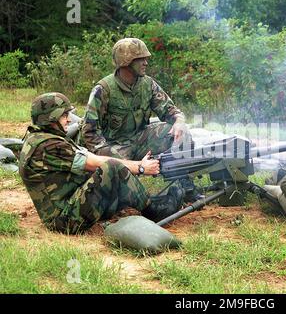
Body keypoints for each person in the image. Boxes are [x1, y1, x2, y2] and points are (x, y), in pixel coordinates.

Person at [19, 92, 183, 234]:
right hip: (65, 220)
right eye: (63, 115)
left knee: (106, 171)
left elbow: (81, 155)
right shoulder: (48, 146)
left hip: (65, 205)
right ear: (50, 119)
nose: (68, 120)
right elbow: (94, 163)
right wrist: (140, 167)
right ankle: (153, 210)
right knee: (111, 167)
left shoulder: (38, 138)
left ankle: (146, 202)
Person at [80, 37, 200, 201]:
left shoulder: (147, 84)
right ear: (126, 61)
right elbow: (89, 132)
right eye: (140, 59)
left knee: (180, 133)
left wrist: (179, 121)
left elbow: (170, 110)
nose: (146, 63)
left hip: (140, 139)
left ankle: (184, 184)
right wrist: (109, 155)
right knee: (118, 163)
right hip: (114, 144)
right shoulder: (103, 89)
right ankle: (130, 198)